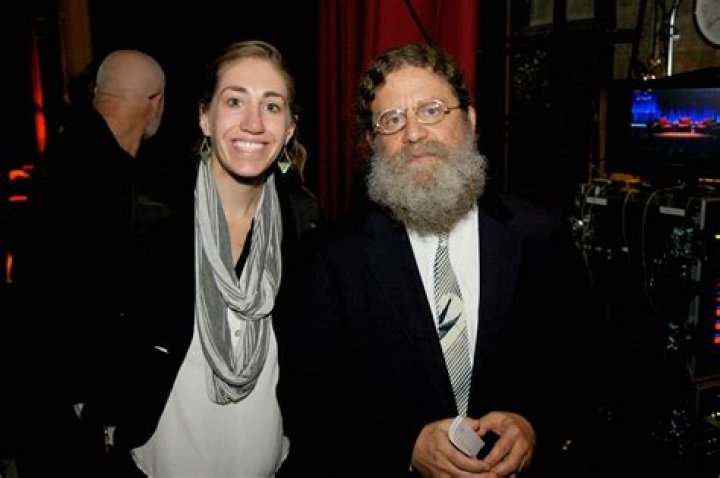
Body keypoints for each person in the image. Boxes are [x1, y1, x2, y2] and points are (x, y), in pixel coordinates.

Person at [276, 43, 607, 477]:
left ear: (469, 120)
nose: (414, 133)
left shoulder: (540, 235)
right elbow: (308, 402)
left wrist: (534, 426)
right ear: (373, 143)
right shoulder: (332, 258)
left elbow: (588, 367)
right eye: (392, 120)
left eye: (431, 110)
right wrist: (404, 446)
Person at [73, 39, 320, 478]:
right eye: (235, 101)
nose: (253, 123)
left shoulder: (302, 219)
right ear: (205, 116)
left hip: (265, 454)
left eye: (271, 106)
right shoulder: (151, 210)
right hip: (162, 456)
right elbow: (90, 327)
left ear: (288, 129)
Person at [6, 48, 168, 477]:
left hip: (55, 388)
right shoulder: (96, 170)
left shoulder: (73, 152)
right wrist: (92, 400)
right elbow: (82, 295)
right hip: (69, 397)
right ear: (155, 102)